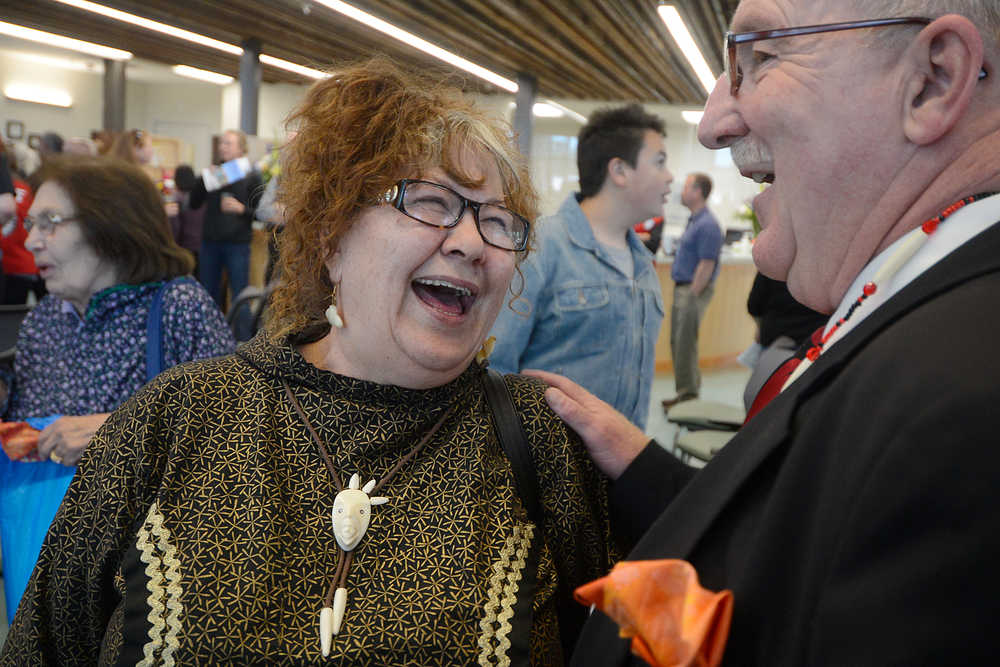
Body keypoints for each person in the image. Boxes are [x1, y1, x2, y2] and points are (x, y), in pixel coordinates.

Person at [0, 59, 620, 665]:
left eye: (498, 222)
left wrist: (653, 477)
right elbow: (45, 643)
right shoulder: (176, 418)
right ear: (331, 237)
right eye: (433, 202)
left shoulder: (541, 440)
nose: (470, 242)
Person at [525, 2, 1000, 665]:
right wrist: (642, 464)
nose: (716, 122)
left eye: (762, 58)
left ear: (934, 80)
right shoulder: (913, 305)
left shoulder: (963, 406)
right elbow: (794, 545)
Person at [0, 157, 235, 619]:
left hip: (148, 580)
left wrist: (117, 432)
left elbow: (231, 433)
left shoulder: (177, 306)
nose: (29, 240)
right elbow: (29, 428)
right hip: (48, 560)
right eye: (30, 223)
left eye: (50, 222)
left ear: (111, 225)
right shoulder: (45, 320)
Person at [489, 104, 670, 429]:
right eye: (659, 162)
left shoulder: (642, 262)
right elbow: (494, 369)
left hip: (621, 467)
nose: (669, 177)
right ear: (620, 171)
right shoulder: (541, 246)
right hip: (547, 468)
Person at [190, 128, 262, 340]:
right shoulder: (214, 175)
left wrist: (242, 209)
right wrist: (203, 179)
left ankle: (244, 342)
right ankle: (209, 340)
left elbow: (261, 212)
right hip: (210, 242)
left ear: (241, 148)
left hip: (237, 244)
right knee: (208, 293)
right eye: (221, 143)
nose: (222, 147)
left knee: (240, 294)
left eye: (228, 143)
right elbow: (194, 203)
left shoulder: (251, 175)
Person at [660, 173, 723, 409]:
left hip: (692, 291)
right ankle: (686, 392)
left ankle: (687, 398)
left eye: (686, 187)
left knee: (684, 343)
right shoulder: (695, 220)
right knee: (679, 342)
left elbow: (707, 264)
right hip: (684, 289)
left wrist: (693, 294)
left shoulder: (708, 225)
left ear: (698, 192)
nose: (682, 191)